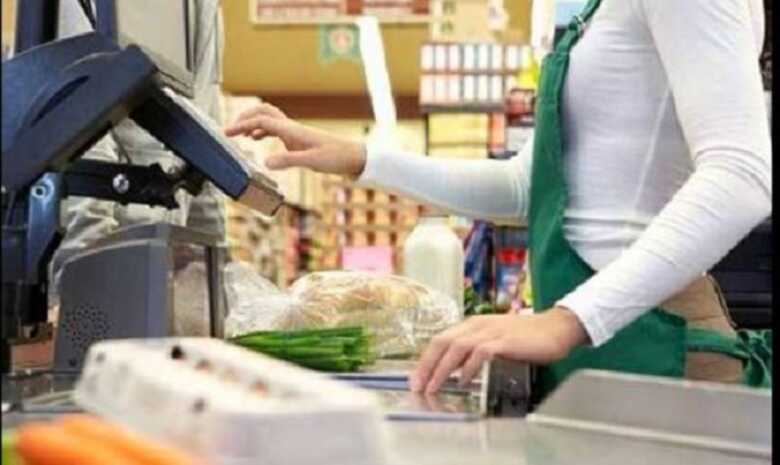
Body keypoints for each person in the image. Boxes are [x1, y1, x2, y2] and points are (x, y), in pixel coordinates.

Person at [226, 0, 772, 397]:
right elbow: (524, 186)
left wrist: (565, 321)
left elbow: (743, 174)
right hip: (602, 344)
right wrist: (362, 159)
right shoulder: (598, 12)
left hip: (656, 348)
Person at [50, 0, 227, 288]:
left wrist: (211, 281)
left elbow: (207, 145)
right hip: (97, 265)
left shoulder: (204, 7)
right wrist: (85, 287)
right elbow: (80, 134)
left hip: (157, 270)